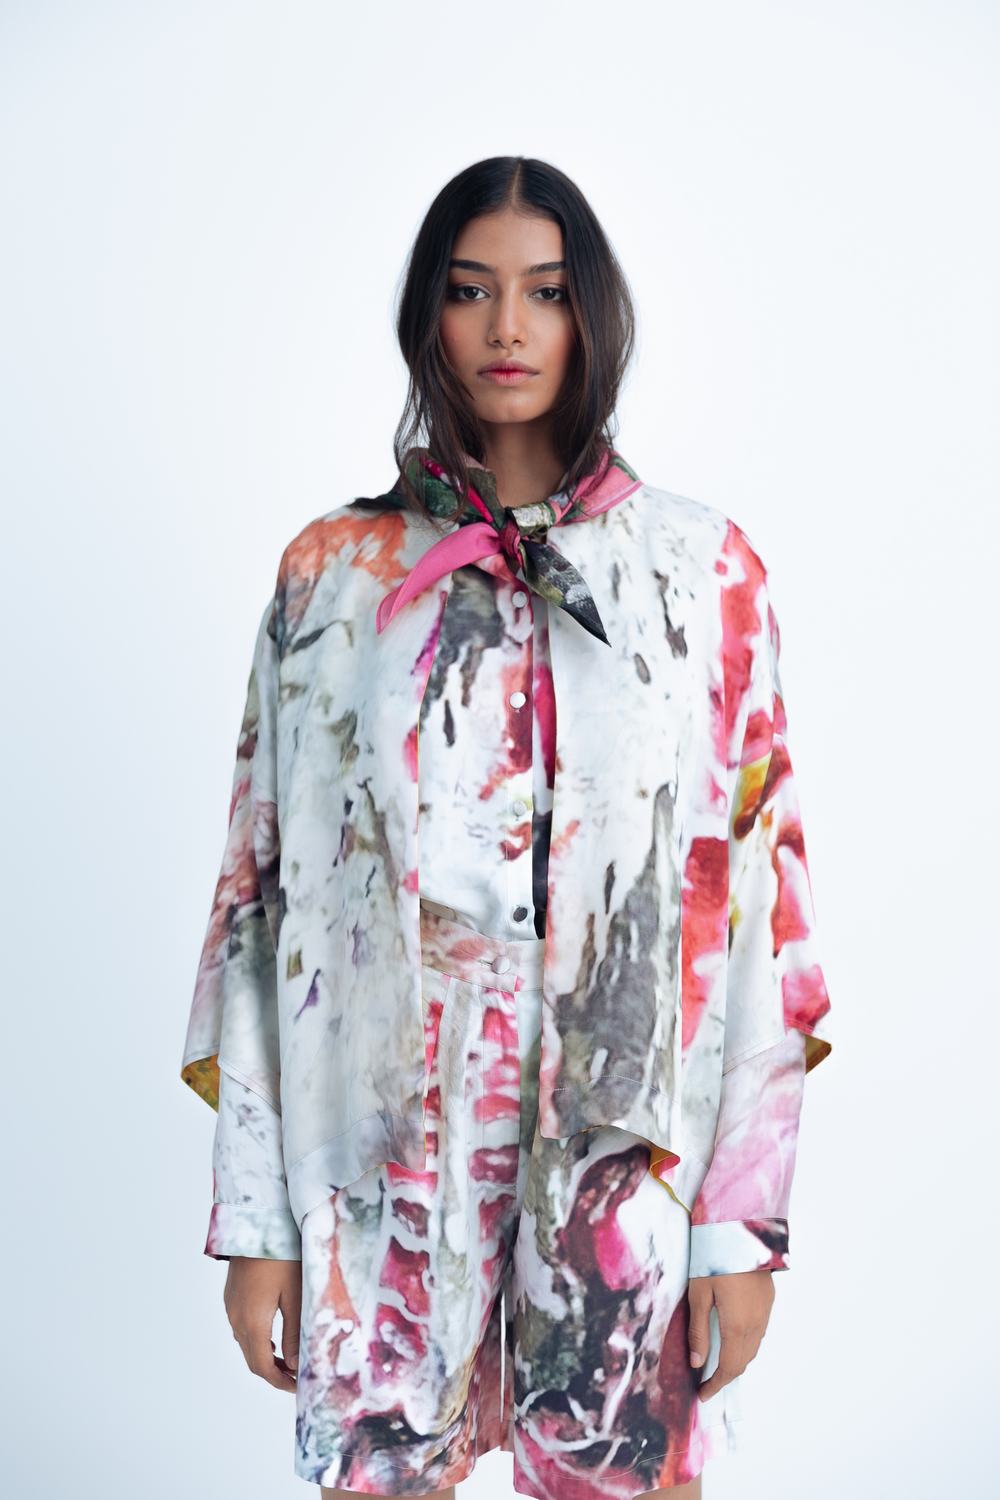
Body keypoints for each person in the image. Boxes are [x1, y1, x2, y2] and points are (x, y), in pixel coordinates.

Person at [180, 156, 833, 1500]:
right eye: (472, 291)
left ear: (593, 313)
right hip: (381, 1161)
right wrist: (256, 1218)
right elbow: (260, 904)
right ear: (428, 312)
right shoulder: (332, 575)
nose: (508, 328)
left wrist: (738, 1230)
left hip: (622, 1157)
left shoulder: (704, 572)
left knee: (624, 1478)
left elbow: (761, 911)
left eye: (545, 292)